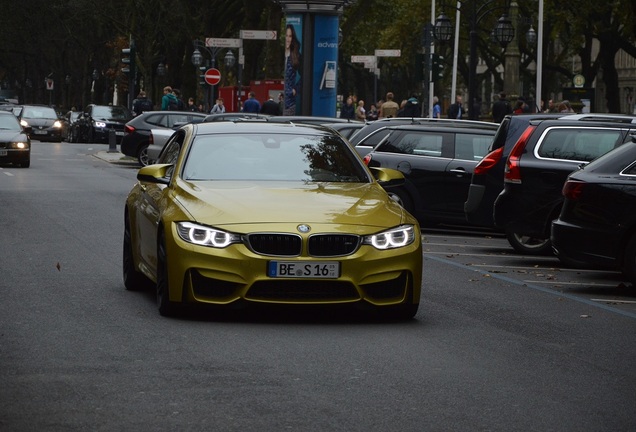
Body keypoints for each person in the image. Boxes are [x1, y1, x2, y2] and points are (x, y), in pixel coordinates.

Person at [284, 24, 302, 116]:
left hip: (289, 103)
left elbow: (305, 75)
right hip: (278, 101)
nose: (287, 39)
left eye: (290, 36)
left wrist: (295, 89)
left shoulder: (296, 56)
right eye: (286, 36)